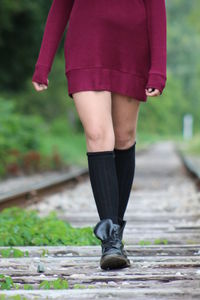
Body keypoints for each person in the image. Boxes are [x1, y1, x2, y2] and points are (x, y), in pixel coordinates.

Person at [32, 0, 167, 270]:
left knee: (124, 138)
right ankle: (110, 241)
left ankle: (115, 228)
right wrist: (43, 63)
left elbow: (155, 7)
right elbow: (60, 7)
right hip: (85, 45)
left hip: (130, 49)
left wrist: (157, 69)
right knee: (96, 134)